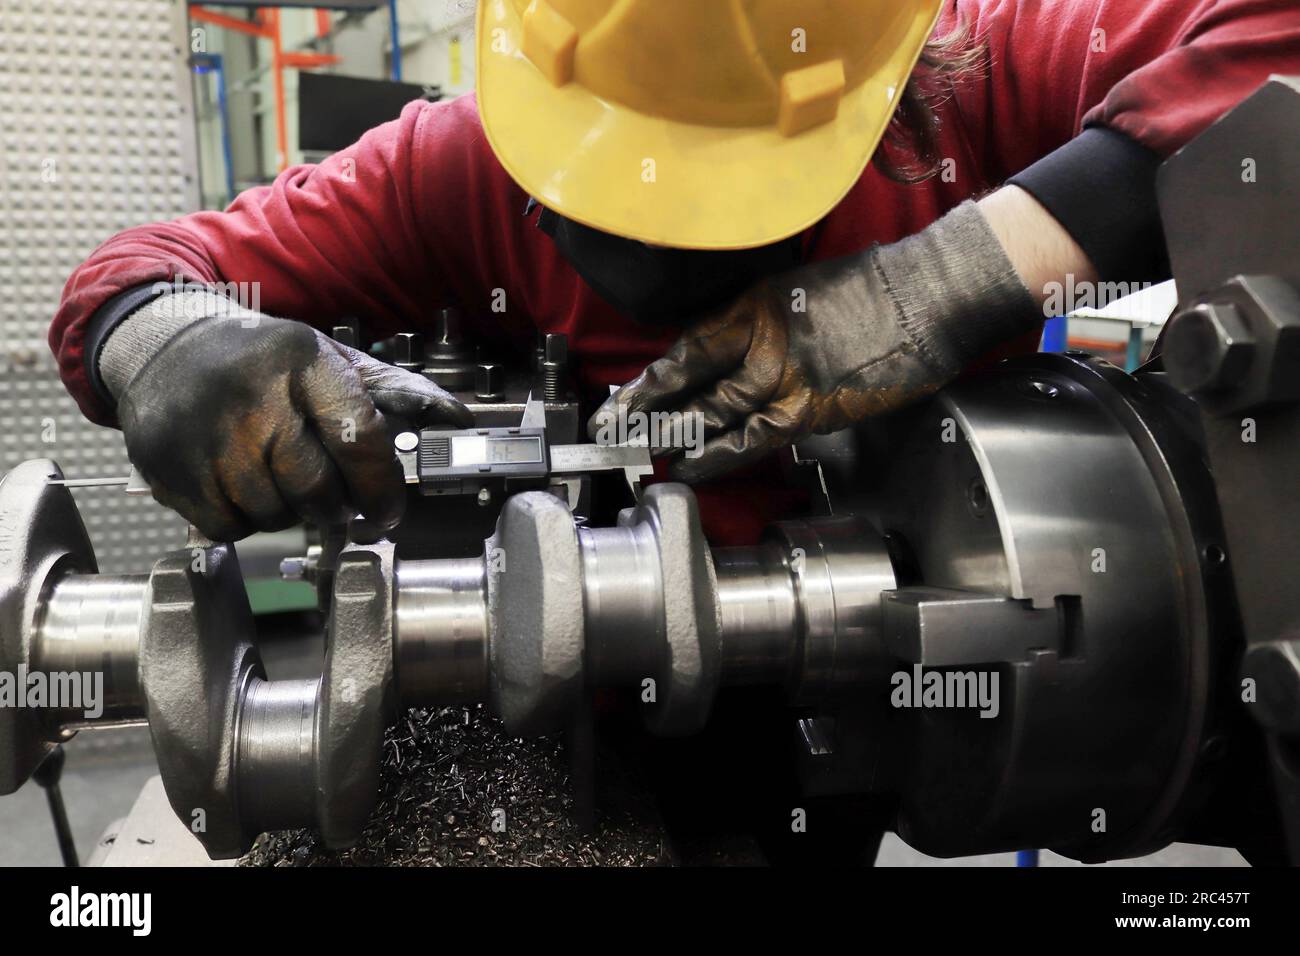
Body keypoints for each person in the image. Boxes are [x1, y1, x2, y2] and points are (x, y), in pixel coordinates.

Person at [49, 0, 1300, 545]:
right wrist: (170, 342)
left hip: (904, 720)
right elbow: (135, 275)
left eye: (711, 198)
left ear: (864, 111)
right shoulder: (449, 167)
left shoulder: (963, 88)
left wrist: (953, 276)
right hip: (593, 736)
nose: (646, 246)